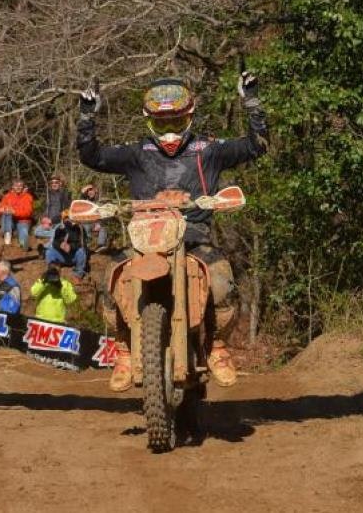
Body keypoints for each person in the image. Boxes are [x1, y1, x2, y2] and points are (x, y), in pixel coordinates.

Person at [78, 72, 267, 391]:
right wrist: (86, 116)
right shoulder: (136, 152)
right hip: (144, 239)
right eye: (161, 123)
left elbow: (256, 146)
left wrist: (252, 101)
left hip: (194, 235)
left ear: (189, 117)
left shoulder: (209, 150)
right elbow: (91, 156)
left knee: (221, 281)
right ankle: (124, 348)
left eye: (176, 123)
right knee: (112, 278)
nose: (169, 132)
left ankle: (216, 345)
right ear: (149, 120)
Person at [46, 214, 88, 279]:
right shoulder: (59, 229)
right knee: (49, 252)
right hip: (62, 256)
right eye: (66, 218)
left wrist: (70, 247)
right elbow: (54, 242)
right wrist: (60, 245)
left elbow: (82, 244)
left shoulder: (79, 228)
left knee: (81, 252)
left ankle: (78, 274)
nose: (67, 220)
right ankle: (53, 271)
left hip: (74, 257)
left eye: (69, 218)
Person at [0, 179, 34, 248]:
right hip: (10, 222)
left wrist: (15, 212)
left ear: (23, 187)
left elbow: (28, 213)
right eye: (16, 185)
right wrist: (2, 210)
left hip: (22, 221)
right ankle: (7, 237)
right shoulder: (7, 197)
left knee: (23, 235)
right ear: (12, 187)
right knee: (7, 213)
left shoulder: (28, 197)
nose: (18, 187)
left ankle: (23, 242)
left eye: (20, 186)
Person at [78, 184, 109, 250]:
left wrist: (99, 224)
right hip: (88, 222)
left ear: (95, 190)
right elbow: (80, 202)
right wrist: (82, 192)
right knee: (85, 226)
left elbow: (104, 214)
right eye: (88, 191)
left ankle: (101, 245)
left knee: (103, 226)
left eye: (91, 190)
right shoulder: (86, 201)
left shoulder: (100, 201)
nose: (90, 192)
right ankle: (87, 244)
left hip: (98, 222)